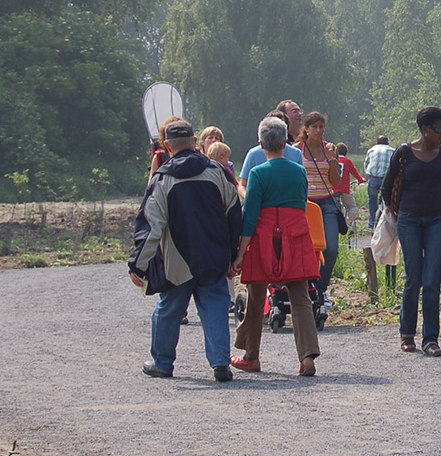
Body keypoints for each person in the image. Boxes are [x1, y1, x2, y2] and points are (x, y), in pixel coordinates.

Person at [129, 118, 243, 382]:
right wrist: (234, 252)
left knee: (168, 309)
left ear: (167, 146)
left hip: (176, 260)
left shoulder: (162, 178)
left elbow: (151, 227)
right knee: (215, 307)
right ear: (195, 142)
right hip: (214, 256)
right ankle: (220, 363)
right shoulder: (217, 171)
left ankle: (162, 362)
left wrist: (139, 264)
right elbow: (234, 214)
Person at [229, 117, 322, 377]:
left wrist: (240, 253)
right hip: (295, 234)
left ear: (261, 144)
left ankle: (251, 355)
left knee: (256, 298)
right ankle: (307, 357)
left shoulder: (258, 173)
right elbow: (302, 203)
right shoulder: (299, 171)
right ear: (285, 142)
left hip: (264, 237)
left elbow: (251, 216)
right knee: (301, 297)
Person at [381, 107, 441, 357]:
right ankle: (407, 334)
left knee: (432, 281)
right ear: (425, 130)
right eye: (438, 129)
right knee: (413, 278)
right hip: (409, 220)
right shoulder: (403, 153)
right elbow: (386, 188)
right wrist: (399, 214)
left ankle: (431, 339)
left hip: (436, 219)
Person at [296, 110, 343, 310]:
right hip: (305, 204)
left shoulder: (330, 149)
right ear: (306, 129)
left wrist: (333, 160)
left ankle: (321, 289)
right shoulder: (297, 149)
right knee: (305, 248)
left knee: (331, 248)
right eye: (314, 126)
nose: (318, 130)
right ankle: (302, 287)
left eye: (321, 126)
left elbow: (336, 182)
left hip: (326, 203)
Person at [239, 106, 302, 199]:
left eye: (281, 126)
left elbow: (301, 186)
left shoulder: (296, 153)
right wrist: (250, 198)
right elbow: (242, 185)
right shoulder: (253, 154)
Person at [334, 143, 366, 227]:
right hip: (345, 189)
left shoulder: (333, 160)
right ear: (346, 153)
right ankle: (348, 224)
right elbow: (355, 173)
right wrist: (360, 180)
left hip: (333, 189)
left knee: (332, 207)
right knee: (352, 207)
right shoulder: (347, 161)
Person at [364, 135, 392, 229]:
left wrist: (367, 176)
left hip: (373, 178)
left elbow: (366, 164)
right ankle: (386, 222)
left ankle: (372, 222)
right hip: (386, 179)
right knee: (387, 201)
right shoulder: (392, 150)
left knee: (372, 200)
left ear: (377, 143)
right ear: (388, 143)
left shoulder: (371, 150)